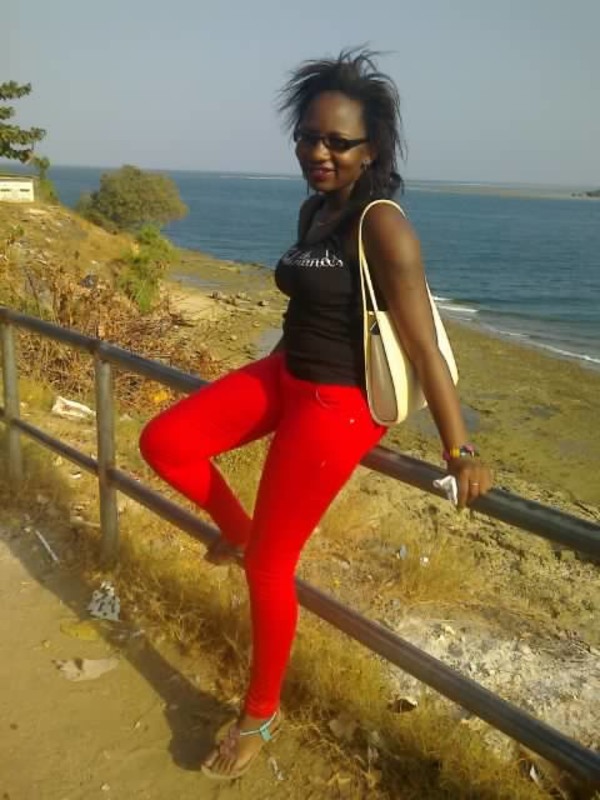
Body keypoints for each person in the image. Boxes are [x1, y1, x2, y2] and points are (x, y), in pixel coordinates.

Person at [139, 48, 493, 781]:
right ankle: (238, 532)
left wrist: (459, 451)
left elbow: (425, 345)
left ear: (373, 149)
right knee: (164, 440)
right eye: (308, 136)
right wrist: (273, 374)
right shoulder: (314, 208)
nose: (319, 152)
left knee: (272, 565)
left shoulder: (384, 226)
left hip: (339, 403)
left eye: (338, 141)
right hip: (286, 373)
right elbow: (308, 303)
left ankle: (259, 715)